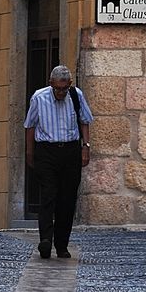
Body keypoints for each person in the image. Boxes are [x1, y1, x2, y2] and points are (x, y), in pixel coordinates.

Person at [24, 65, 94, 259]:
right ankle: (45, 240)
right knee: (48, 195)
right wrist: (30, 153)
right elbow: (30, 126)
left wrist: (85, 147)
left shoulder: (76, 95)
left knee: (67, 199)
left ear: (69, 84)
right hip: (46, 151)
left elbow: (84, 120)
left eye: (64, 88)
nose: (61, 92)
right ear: (51, 84)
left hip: (70, 150)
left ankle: (61, 244)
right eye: (58, 89)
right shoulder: (39, 98)